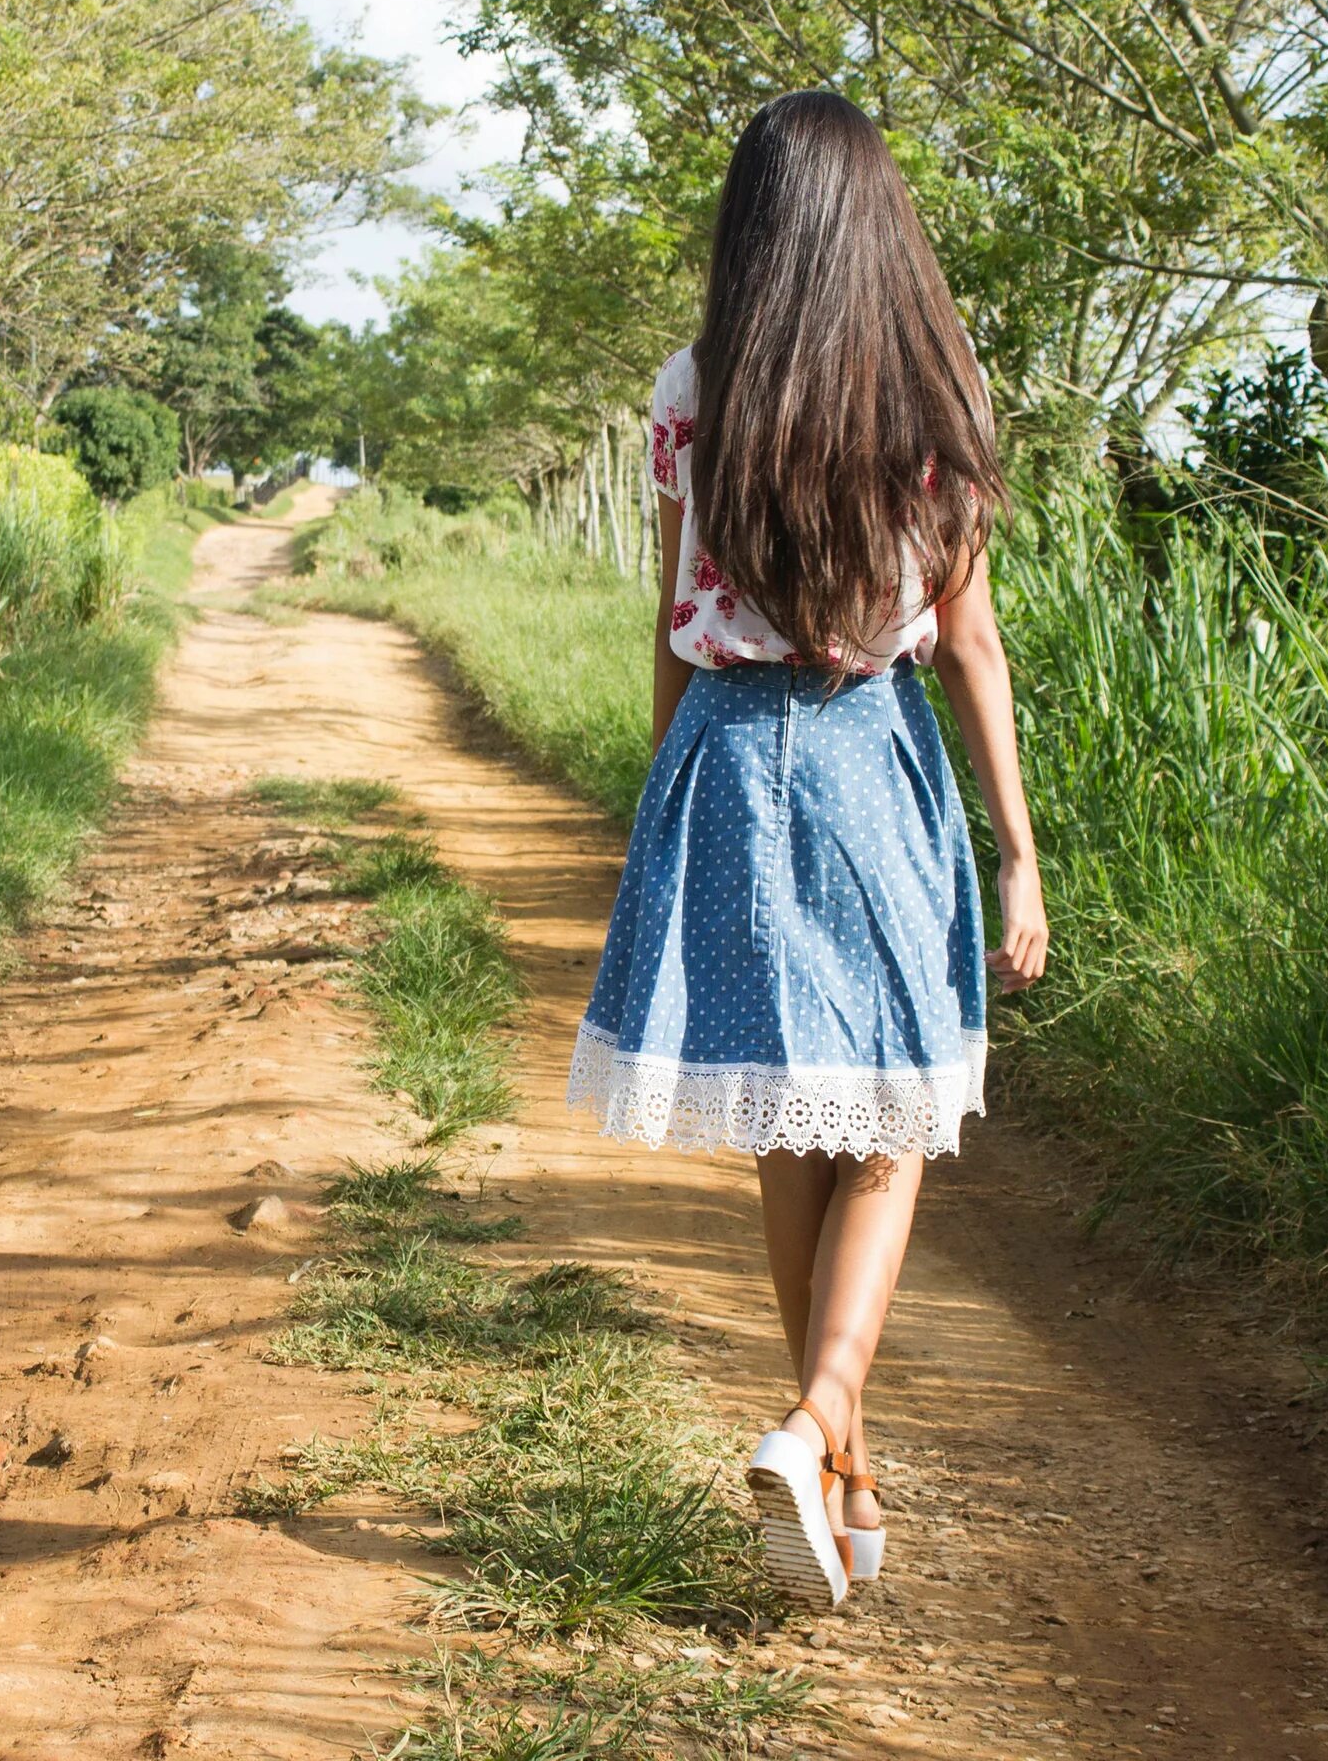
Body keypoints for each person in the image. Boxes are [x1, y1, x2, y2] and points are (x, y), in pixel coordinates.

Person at [565, 89, 1049, 1608]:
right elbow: (967, 641)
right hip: (865, 753)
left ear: (755, 227)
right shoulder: (936, 389)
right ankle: (819, 1416)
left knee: (797, 1122)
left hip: (722, 755)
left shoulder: (696, 382)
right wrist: (1021, 852)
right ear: (881, 223)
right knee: (893, 1120)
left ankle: (840, 1464)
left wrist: (660, 805)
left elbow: (669, 620)